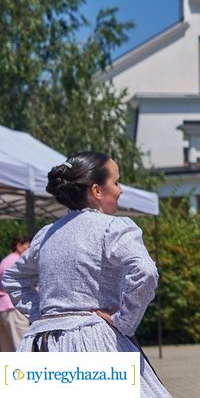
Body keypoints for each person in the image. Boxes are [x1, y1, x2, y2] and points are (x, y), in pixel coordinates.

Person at [0, 151, 170, 397]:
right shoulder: (114, 227)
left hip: (41, 343)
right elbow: (145, 272)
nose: (121, 190)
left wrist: (44, 314)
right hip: (92, 341)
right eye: (116, 182)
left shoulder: (46, 234)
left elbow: (14, 278)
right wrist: (124, 321)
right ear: (97, 191)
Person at [0, 234, 31, 351]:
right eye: (28, 247)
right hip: (13, 306)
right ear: (19, 246)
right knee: (22, 346)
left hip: (2, 308)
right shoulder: (17, 260)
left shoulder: (6, 260)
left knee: (6, 349)